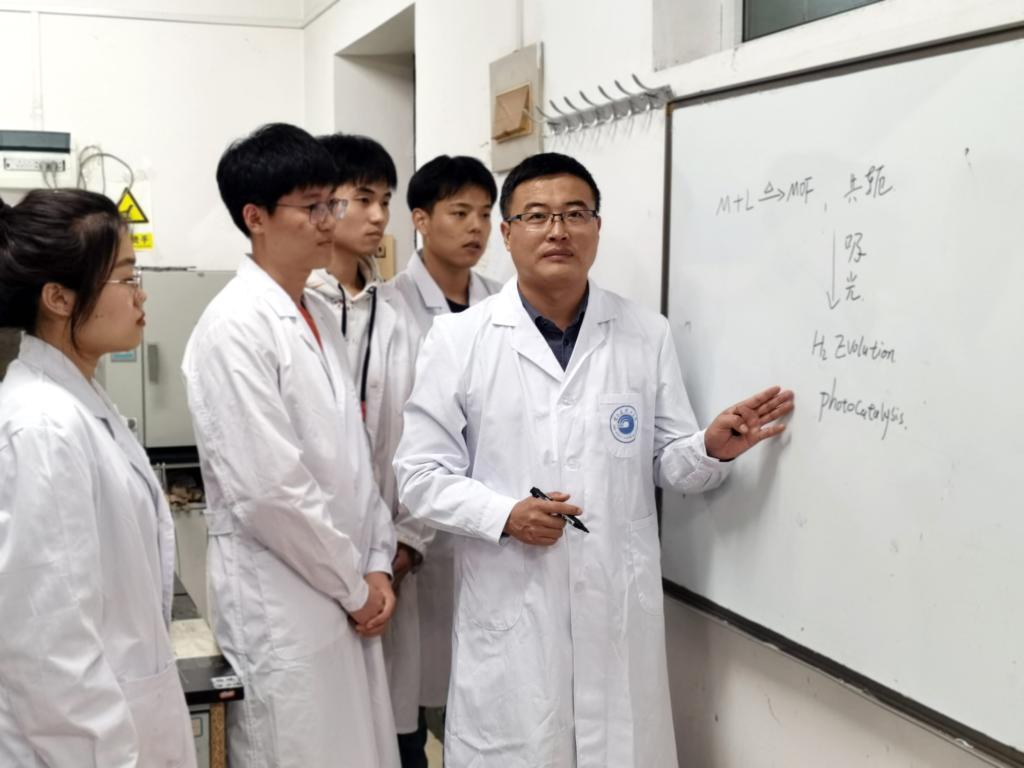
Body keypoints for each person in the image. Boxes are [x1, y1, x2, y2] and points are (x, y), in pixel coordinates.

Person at [394, 152, 795, 767]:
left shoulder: (645, 332)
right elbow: (419, 477)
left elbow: (665, 461)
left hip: (614, 611)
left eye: (575, 214)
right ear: (508, 234)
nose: (558, 230)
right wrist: (505, 515)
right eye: (537, 216)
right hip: (512, 612)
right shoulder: (459, 340)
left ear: (597, 228)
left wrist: (709, 448)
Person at [182, 123, 400, 768]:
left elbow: (356, 463)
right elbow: (270, 491)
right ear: (255, 217)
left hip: (348, 589)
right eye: (312, 207)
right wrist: (355, 586)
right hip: (285, 601)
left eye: (333, 203)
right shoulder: (233, 327)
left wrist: (378, 563)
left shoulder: (317, 313)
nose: (330, 221)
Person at [0, 189, 196, 767]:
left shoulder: (79, 404)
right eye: (127, 278)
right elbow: (49, 645)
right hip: (86, 745)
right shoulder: (42, 428)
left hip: (123, 719)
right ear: (59, 297)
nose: (141, 294)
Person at [305, 133, 433, 767]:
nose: (380, 215)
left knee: (398, 736)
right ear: (321, 204)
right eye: (364, 198)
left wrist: (405, 544)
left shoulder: (399, 313)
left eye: (385, 200)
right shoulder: (297, 307)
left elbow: (430, 435)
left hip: (393, 563)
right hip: (311, 563)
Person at [389, 154, 502, 745]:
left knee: (485, 699)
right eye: (459, 212)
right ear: (421, 219)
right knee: (414, 701)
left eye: (484, 213)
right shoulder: (390, 310)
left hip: (492, 528)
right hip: (412, 534)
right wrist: (406, 536)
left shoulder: (506, 304)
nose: (476, 227)